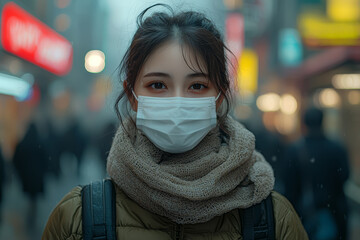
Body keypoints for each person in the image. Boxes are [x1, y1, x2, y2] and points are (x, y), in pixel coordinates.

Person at [42, 4, 308, 239]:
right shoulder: (78, 220)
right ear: (132, 95)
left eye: (197, 86)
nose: (178, 102)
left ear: (219, 97)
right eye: (158, 85)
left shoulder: (274, 221)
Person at [283, 107, 350, 240]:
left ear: (304, 124)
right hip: (334, 213)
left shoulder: (295, 151)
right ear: (323, 122)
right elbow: (345, 176)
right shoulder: (337, 148)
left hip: (304, 214)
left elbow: (289, 186)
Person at [13, 122, 48, 229]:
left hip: (27, 176)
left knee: (30, 195)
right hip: (37, 176)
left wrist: (20, 172)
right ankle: (32, 213)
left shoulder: (23, 143)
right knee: (34, 196)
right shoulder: (40, 142)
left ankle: (30, 214)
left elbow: (16, 159)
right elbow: (46, 159)